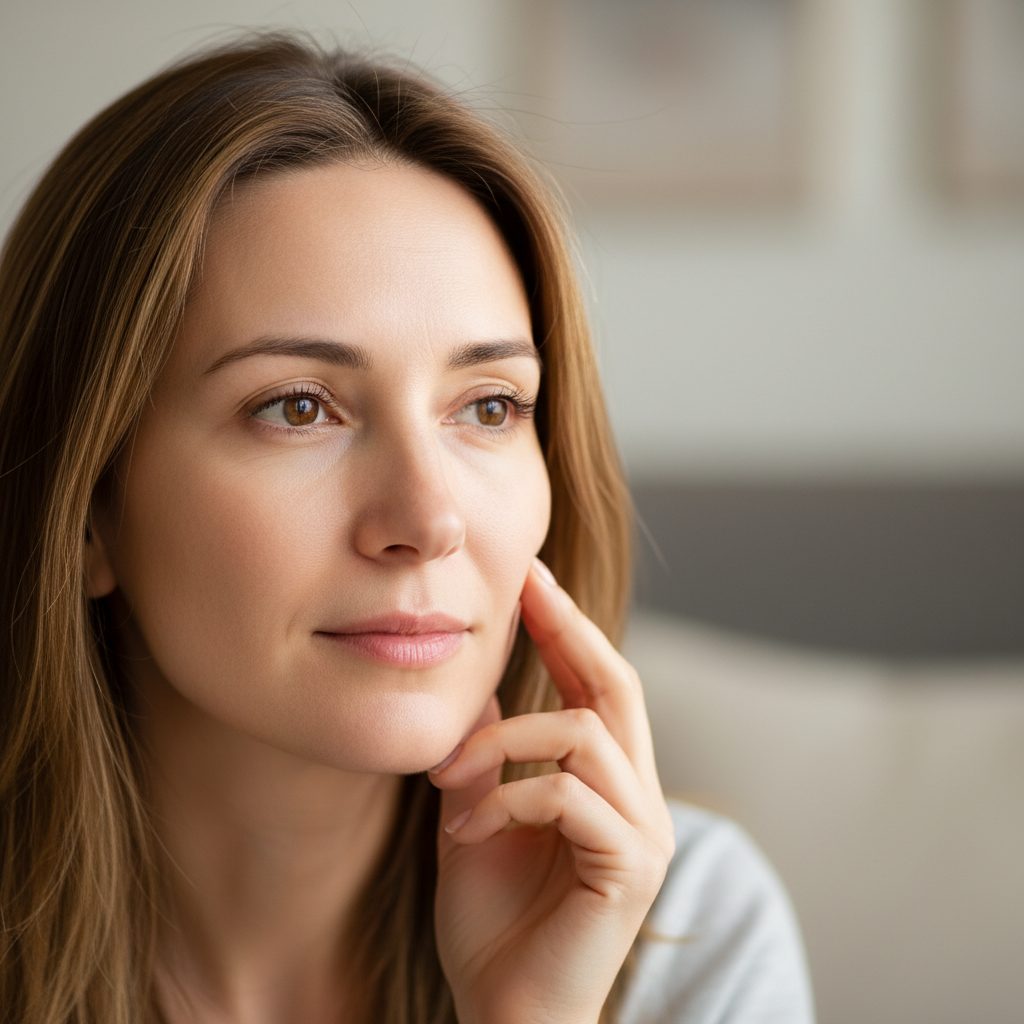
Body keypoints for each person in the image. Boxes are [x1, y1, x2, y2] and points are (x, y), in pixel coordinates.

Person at [0, 31, 814, 1024]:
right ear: (88, 510)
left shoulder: (683, 930)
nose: (428, 521)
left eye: (487, 407)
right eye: (298, 406)